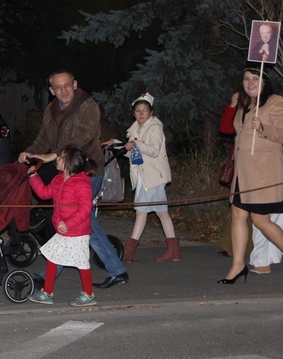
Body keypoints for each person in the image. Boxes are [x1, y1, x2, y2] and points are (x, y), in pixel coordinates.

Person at [17, 70, 128, 289]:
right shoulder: (51, 109)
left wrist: (56, 154)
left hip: (87, 171)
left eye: (67, 85)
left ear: (75, 84)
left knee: (78, 222)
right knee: (81, 223)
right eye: (58, 87)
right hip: (66, 174)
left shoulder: (88, 106)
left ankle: (46, 276)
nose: (63, 90)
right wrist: (29, 152)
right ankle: (117, 271)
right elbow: (43, 138)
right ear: (51, 91)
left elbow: (82, 138)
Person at [219, 67, 283, 284]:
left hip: (263, 172)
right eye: (246, 79)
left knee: (261, 221)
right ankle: (238, 265)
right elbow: (228, 129)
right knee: (238, 215)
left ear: (264, 82)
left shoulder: (276, 102)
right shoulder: (244, 104)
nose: (250, 82)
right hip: (242, 173)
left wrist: (263, 128)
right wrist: (232, 105)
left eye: (255, 78)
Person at [103, 92, 179, 263]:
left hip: (152, 177)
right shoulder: (134, 129)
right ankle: (174, 251)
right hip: (143, 176)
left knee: (142, 213)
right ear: (133, 113)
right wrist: (116, 142)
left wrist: (135, 144)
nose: (141, 114)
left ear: (151, 112)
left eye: (145, 110)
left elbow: (153, 150)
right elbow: (133, 154)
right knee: (161, 213)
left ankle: (129, 252)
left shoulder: (155, 128)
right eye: (138, 111)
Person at [27, 146, 97, 307]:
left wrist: (69, 223)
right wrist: (34, 177)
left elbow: (85, 208)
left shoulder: (81, 184)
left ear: (68, 162)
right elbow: (44, 193)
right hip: (63, 230)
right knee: (53, 256)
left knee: (81, 262)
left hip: (77, 231)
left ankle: (88, 294)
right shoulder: (58, 179)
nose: (57, 159)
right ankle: (47, 292)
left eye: (61, 157)